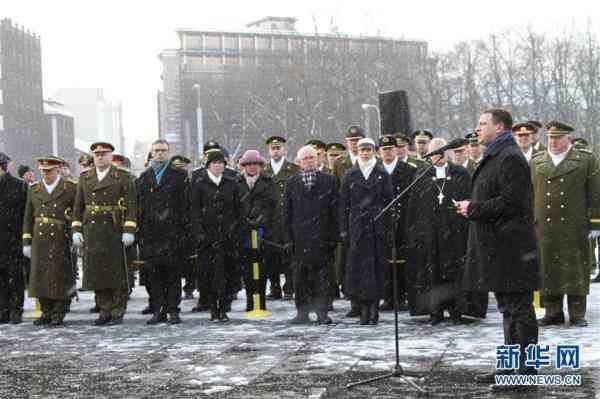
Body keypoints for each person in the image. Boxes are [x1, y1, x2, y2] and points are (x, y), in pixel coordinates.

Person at [456, 109, 540, 392]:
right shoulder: (497, 153)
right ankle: (508, 366)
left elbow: (513, 202)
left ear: (500, 126)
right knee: (507, 309)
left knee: (519, 309)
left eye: (482, 124)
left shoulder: (510, 157)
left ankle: (525, 373)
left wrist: (474, 208)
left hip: (512, 248)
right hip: (500, 247)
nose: (477, 128)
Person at [405, 138, 487, 325]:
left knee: (455, 273)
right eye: (434, 153)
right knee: (432, 272)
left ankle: (457, 310)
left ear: (448, 152)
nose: (438, 157)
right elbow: (415, 208)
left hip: (456, 233)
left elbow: (470, 201)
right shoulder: (421, 175)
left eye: (442, 152)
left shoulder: (461, 173)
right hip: (430, 234)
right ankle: (435, 311)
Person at [531, 121, 600, 328]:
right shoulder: (537, 161)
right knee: (548, 268)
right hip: (545, 225)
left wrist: (595, 223)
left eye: (558, 138)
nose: (553, 142)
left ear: (568, 138)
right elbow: (530, 193)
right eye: (550, 138)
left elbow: (595, 193)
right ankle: (552, 312)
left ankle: (577, 313)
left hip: (575, 225)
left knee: (575, 268)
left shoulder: (586, 160)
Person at [71, 142, 137, 326]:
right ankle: (104, 310)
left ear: (110, 156)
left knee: (116, 272)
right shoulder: (85, 177)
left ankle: (117, 311)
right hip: (92, 229)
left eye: (104, 154)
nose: (100, 157)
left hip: (114, 228)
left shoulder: (122, 176)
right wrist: (76, 229)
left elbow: (132, 205)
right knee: (97, 272)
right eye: (97, 154)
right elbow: (78, 206)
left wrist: (129, 229)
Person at [340, 137, 393, 325]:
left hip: (376, 226)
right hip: (357, 227)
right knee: (359, 270)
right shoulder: (350, 174)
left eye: (369, 149)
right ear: (358, 151)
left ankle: (374, 309)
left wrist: (387, 227)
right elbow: (344, 205)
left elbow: (389, 202)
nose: (365, 152)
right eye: (362, 149)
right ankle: (363, 308)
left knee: (376, 269)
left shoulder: (382, 174)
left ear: (374, 151)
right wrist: (344, 229)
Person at [283, 145, 338, 324]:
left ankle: (322, 312)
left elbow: (335, 210)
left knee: (322, 278)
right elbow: (287, 212)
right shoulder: (292, 182)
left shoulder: (329, 180)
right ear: (299, 162)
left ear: (318, 159)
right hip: (300, 239)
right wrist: (288, 238)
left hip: (322, 238)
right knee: (300, 278)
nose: (309, 161)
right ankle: (302, 312)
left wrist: (334, 235)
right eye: (305, 158)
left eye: (312, 157)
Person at [137, 140, 189, 325]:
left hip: (172, 233)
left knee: (173, 275)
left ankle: (173, 310)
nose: (160, 154)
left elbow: (185, 206)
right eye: (156, 151)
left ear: (168, 153)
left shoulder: (179, 175)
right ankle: (158, 310)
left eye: (163, 151)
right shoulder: (144, 177)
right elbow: (140, 208)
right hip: (152, 235)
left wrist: (184, 231)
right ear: (151, 153)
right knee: (155, 276)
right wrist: (140, 232)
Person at [22, 156, 77, 327]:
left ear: (58, 170)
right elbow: (28, 216)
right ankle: (46, 311)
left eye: (49, 171)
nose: (46, 174)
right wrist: (26, 240)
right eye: (43, 171)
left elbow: (76, 212)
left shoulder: (70, 188)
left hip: (61, 236)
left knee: (59, 274)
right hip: (40, 236)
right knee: (41, 275)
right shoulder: (34, 189)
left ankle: (59, 312)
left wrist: (76, 232)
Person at [191, 150, 243, 322]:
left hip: (228, 237)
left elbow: (238, 209)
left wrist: (235, 229)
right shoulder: (199, 184)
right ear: (208, 165)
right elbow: (194, 212)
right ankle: (213, 308)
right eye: (215, 162)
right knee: (210, 274)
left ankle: (224, 307)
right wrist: (200, 232)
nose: (218, 165)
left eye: (221, 163)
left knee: (228, 273)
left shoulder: (231, 183)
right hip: (207, 238)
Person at [378, 135, 417, 311]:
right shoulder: (376, 170)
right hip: (383, 222)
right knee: (385, 262)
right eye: (384, 149)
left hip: (403, 221)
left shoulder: (409, 170)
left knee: (403, 261)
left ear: (396, 149)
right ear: (379, 151)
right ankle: (387, 296)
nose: (387, 152)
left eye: (391, 148)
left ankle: (402, 296)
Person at [332, 126, 365, 317]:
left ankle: (367, 300)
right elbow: (337, 194)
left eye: (357, 140)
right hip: (349, 218)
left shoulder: (370, 161)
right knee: (349, 264)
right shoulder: (339, 163)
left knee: (365, 263)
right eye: (351, 140)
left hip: (367, 218)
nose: (354, 144)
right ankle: (354, 302)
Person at [238, 150, 277, 312]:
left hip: (263, 232)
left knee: (261, 269)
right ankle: (250, 301)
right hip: (244, 232)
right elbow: (234, 205)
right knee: (248, 270)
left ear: (260, 166)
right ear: (244, 166)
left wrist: (262, 219)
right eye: (249, 164)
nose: (252, 167)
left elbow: (273, 205)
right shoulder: (237, 182)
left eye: (255, 164)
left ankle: (260, 302)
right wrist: (245, 221)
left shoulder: (268, 181)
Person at [262, 136, 299, 300]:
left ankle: (289, 288)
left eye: (278, 148)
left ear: (284, 150)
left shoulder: (293, 169)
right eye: (273, 148)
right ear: (268, 151)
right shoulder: (263, 170)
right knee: (271, 257)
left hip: (288, 219)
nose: (276, 151)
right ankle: (275, 287)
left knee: (289, 256)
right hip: (270, 221)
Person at [0, 152, 28, 324]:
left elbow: (26, 214)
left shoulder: (19, 186)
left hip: (13, 239)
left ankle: (15, 310)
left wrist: (25, 238)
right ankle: (2, 310)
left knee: (15, 276)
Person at [171, 155, 197, 301]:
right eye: (176, 167)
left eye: (182, 167)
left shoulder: (193, 182)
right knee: (175, 261)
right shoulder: (170, 184)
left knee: (190, 261)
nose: (179, 170)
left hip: (189, 227)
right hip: (174, 227)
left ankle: (189, 287)